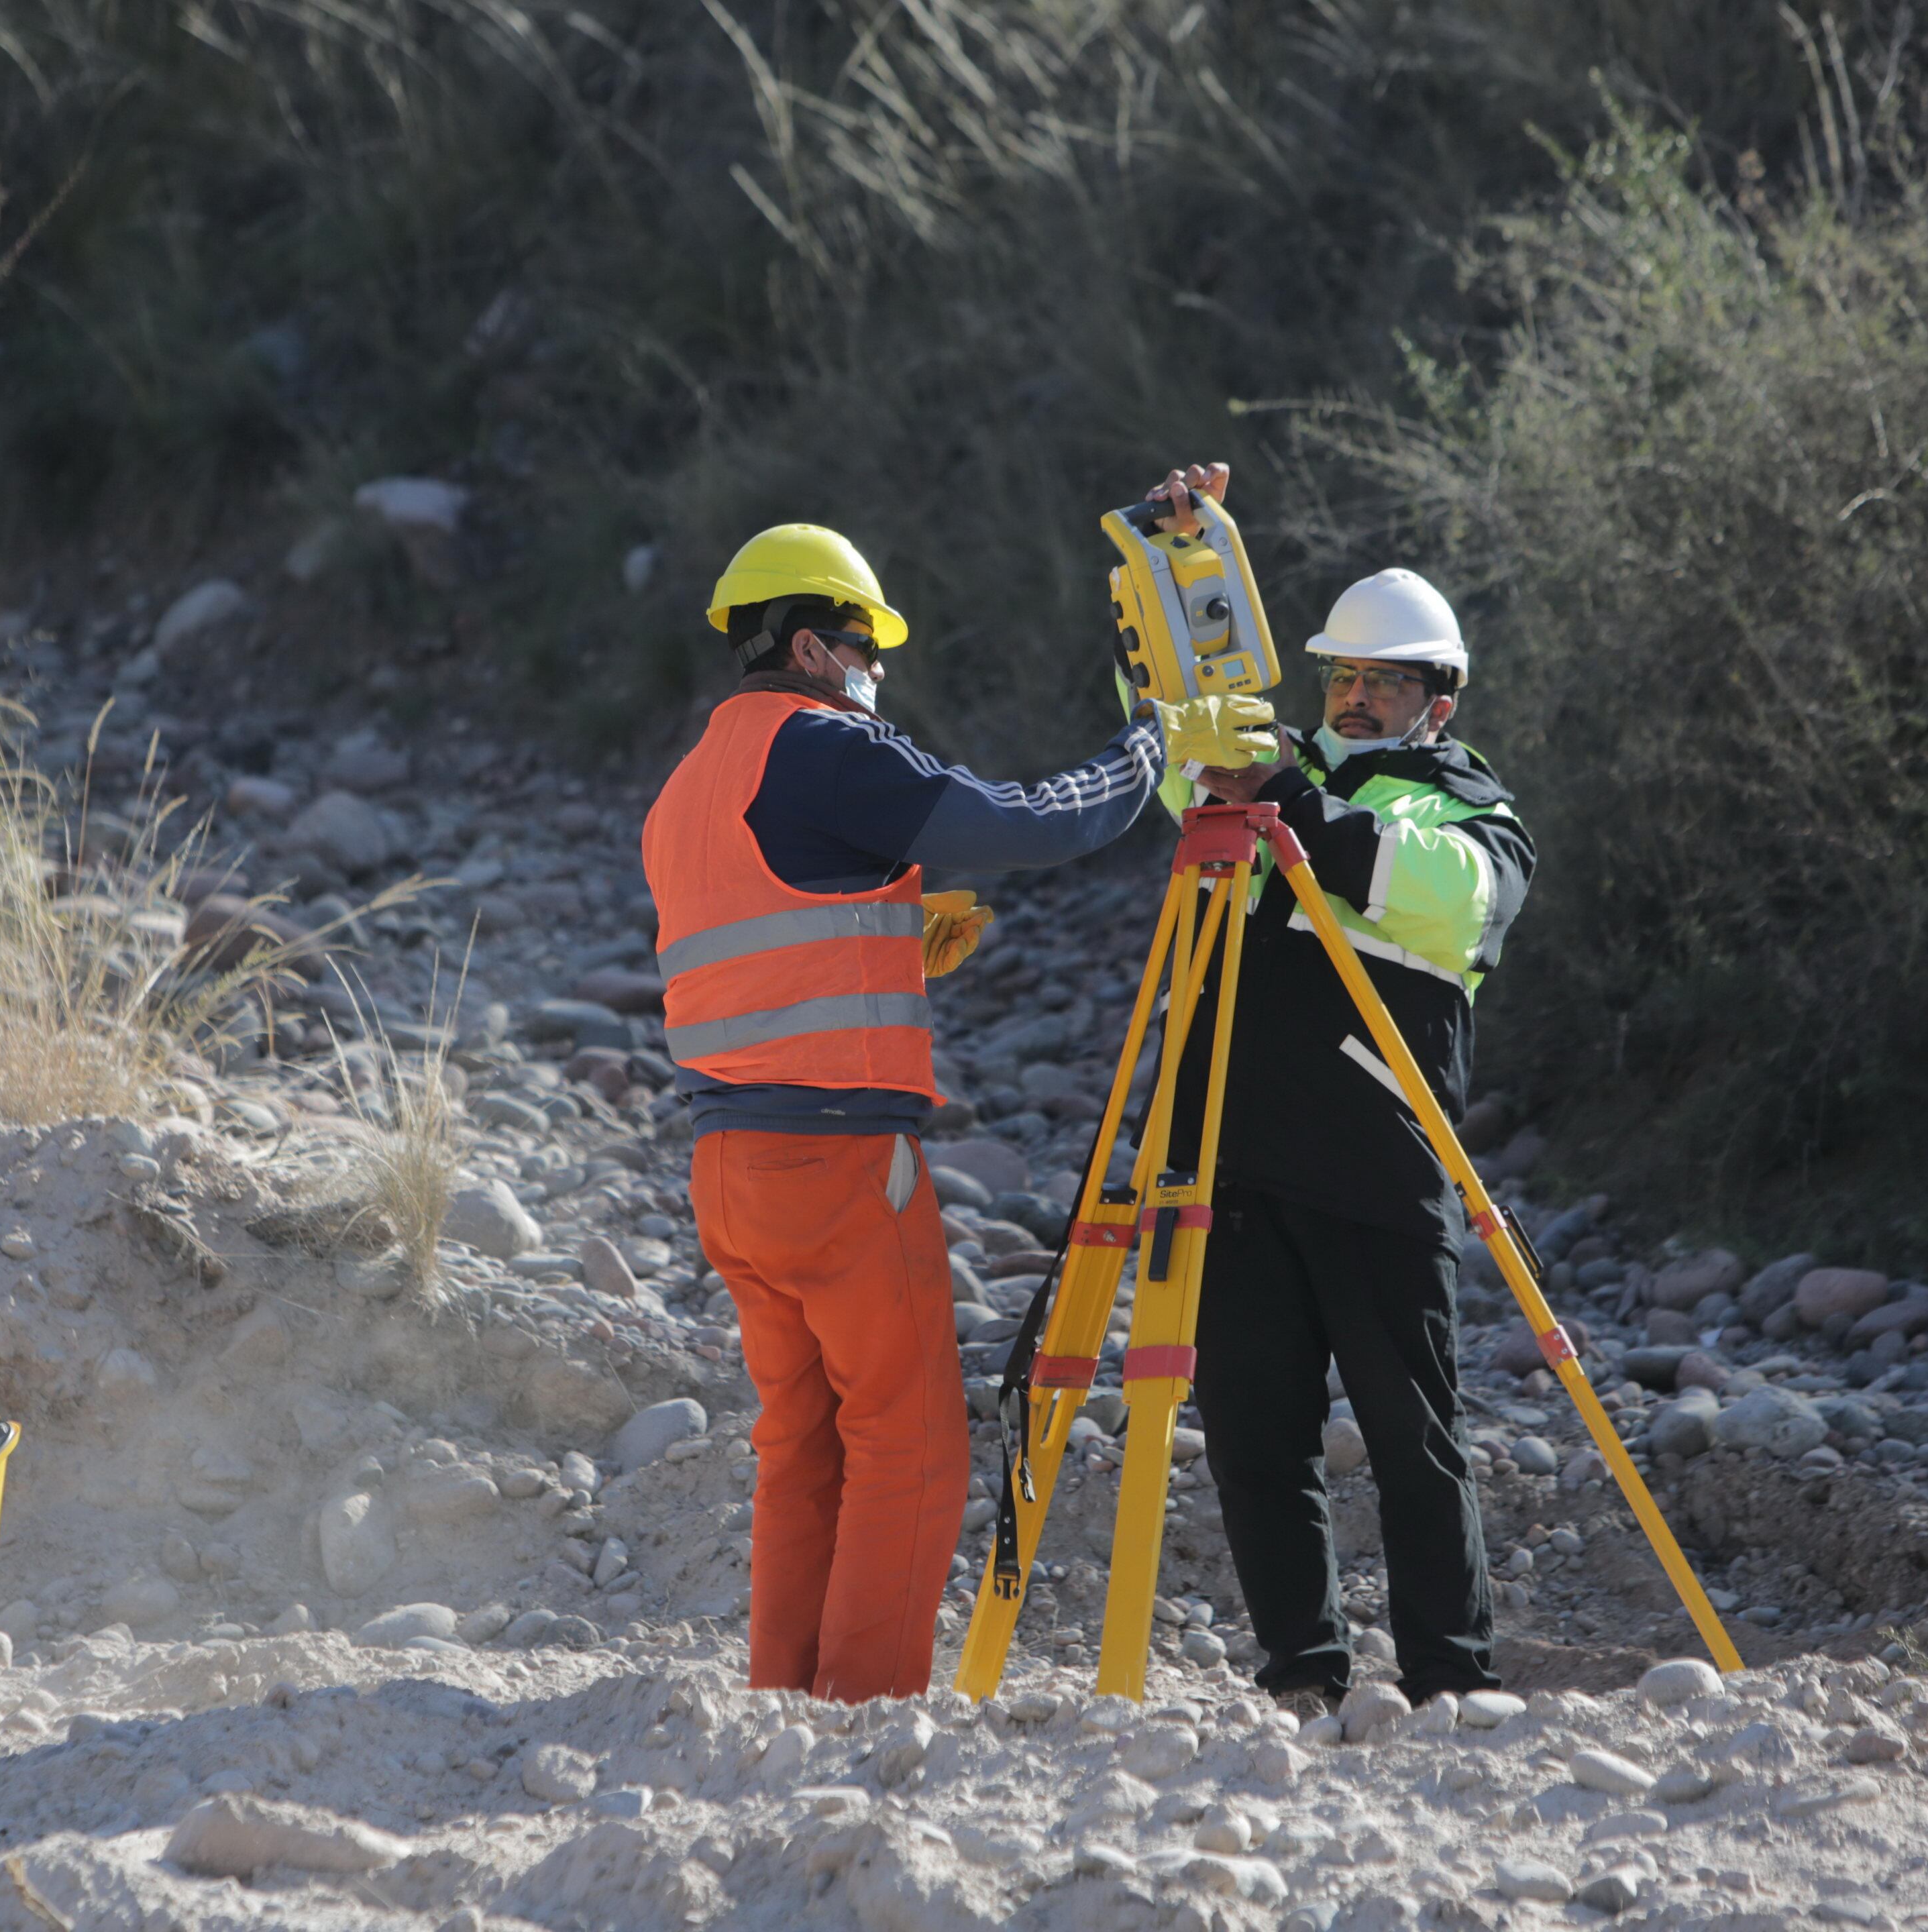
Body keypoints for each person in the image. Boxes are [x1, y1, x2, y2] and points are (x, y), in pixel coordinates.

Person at [641, 521, 1167, 1701]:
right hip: (836, 1167)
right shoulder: (824, 747)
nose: (878, 672)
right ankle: (868, 1707)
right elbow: (1023, 821)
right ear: (820, 647)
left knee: (805, 1449)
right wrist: (1147, 755)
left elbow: (758, 944)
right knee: (909, 1448)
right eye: (869, 648)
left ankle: (784, 1697)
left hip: (729, 1166)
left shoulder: (690, 783)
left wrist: (891, 935)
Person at [1147, 466, 1538, 1711]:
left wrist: (1298, 809)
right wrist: (1177, 570)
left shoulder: (1472, 814)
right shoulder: (1273, 774)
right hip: (1235, 1166)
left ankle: (1451, 1680)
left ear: (1441, 699)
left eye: (1385, 683)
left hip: (1379, 1171)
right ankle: (1303, 1677)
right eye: (1342, 678)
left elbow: (1448, 902)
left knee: (1415, 1442)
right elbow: (1178, 742)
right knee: (1258, 1443)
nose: (1357, 698)